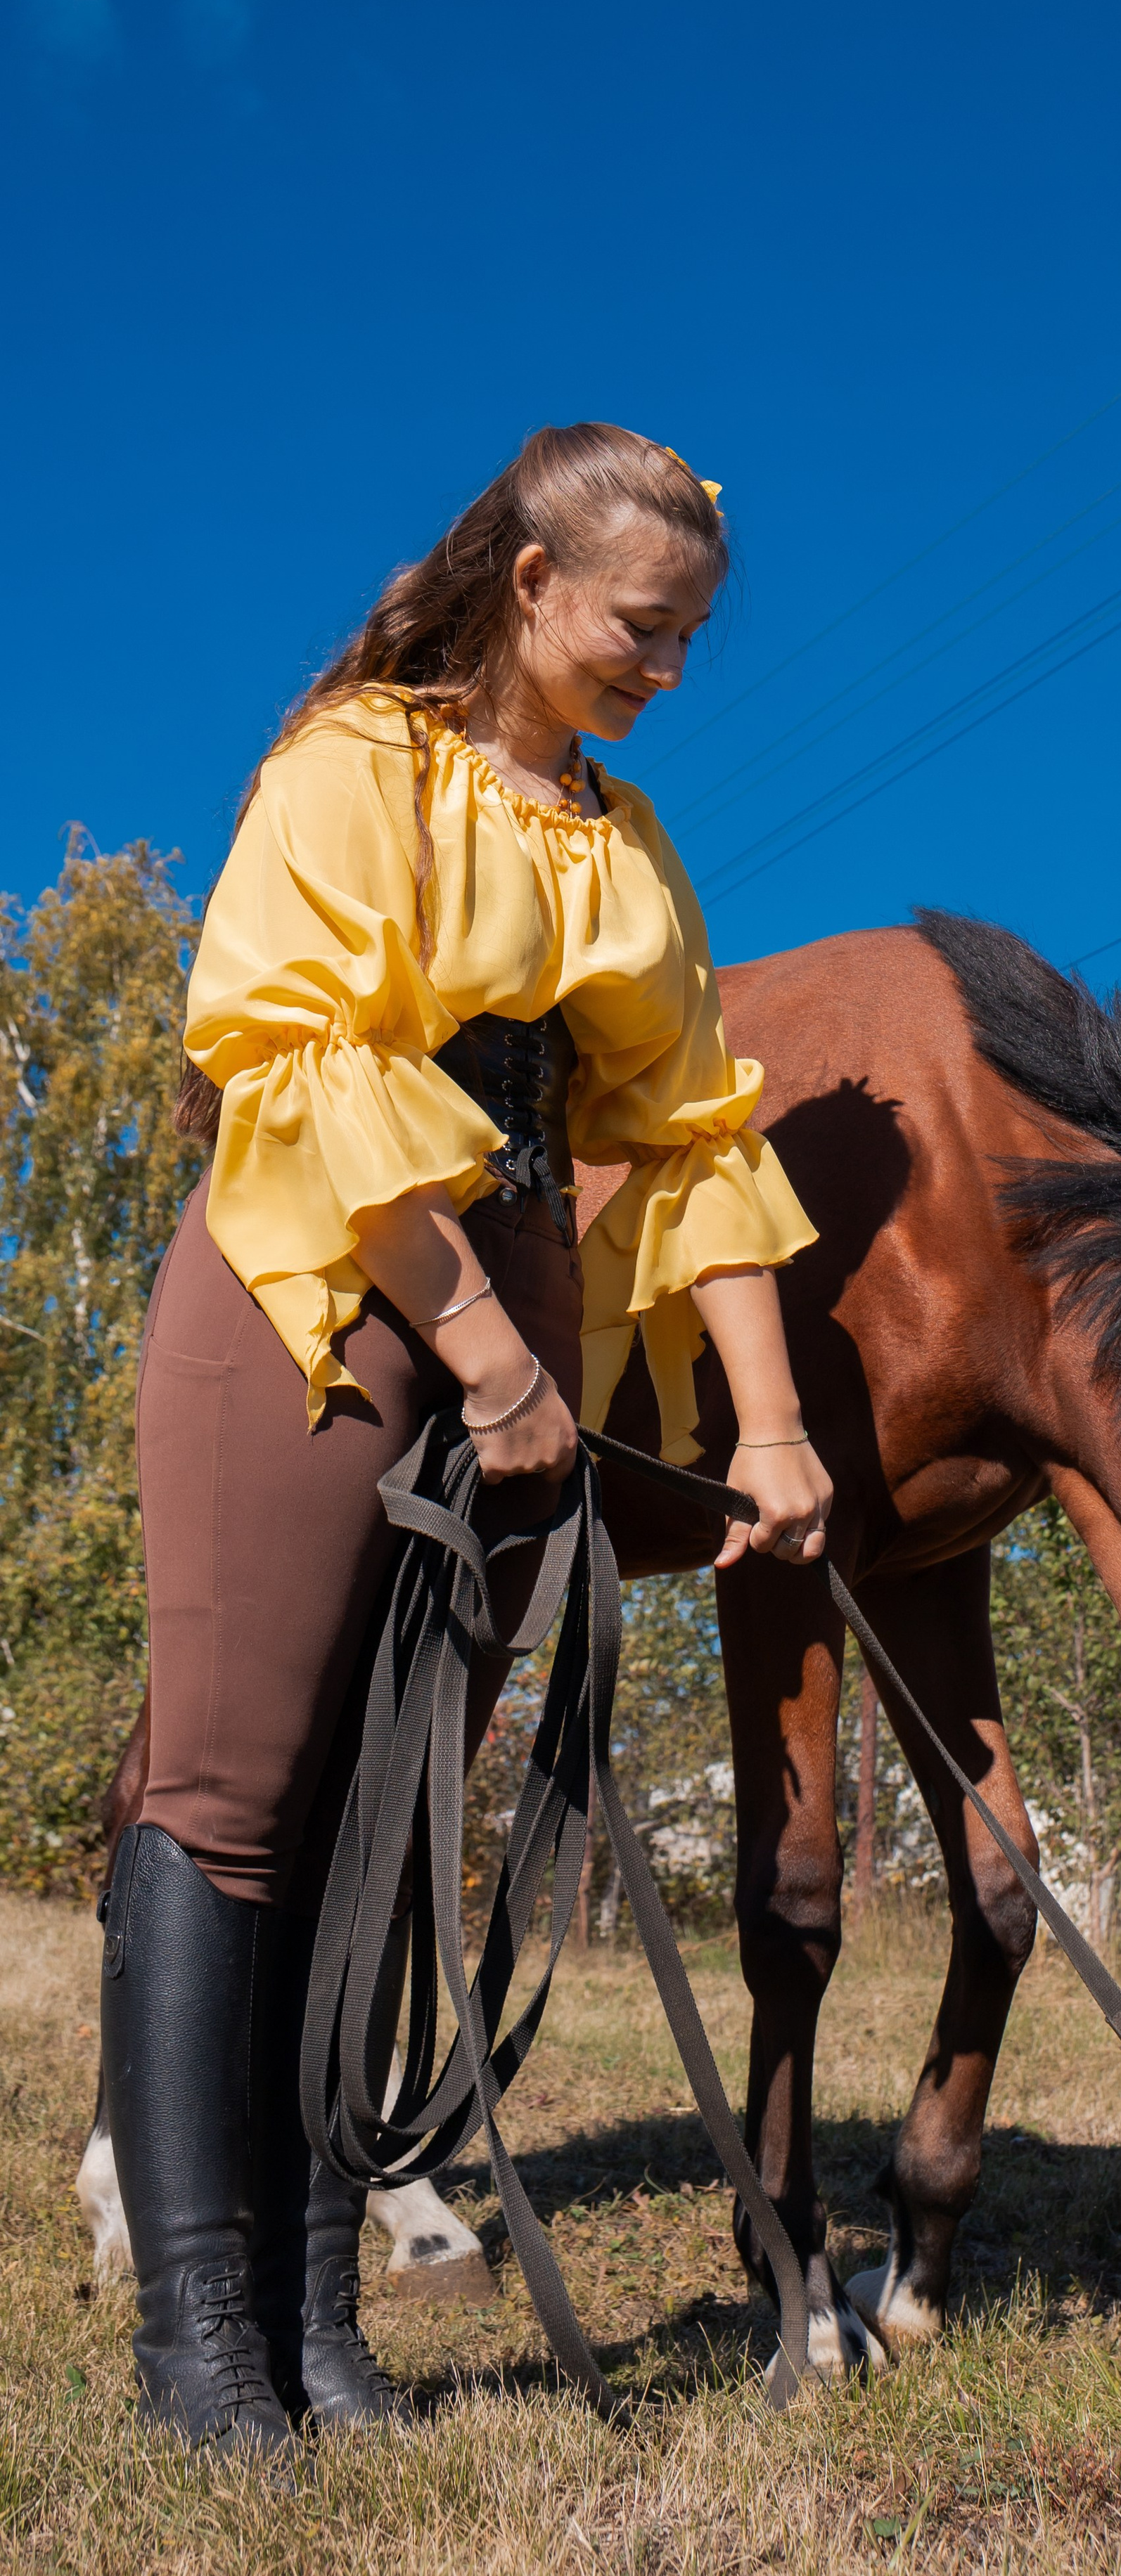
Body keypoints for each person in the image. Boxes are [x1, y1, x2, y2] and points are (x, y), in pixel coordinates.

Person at [100, 423, 832, 2457]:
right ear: (529, 585)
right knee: (242, 1798)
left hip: (520, 1293)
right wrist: (498, 1367)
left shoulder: (625, 839)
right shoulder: (358, 768)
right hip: (327, 1285)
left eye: (691, 638)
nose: (667, 667)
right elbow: (295, 1052)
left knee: (390, 1821)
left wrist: (772, 1431)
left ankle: (321, 2329)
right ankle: (198, 2351)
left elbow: (691, 1129)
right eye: (638, 628)